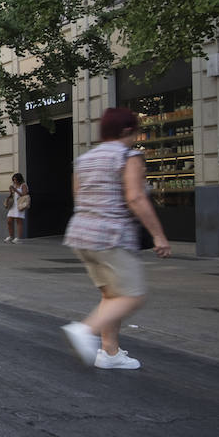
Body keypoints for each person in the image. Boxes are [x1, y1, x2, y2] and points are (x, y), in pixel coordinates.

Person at [61, 107, 172, 370]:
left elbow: (79, 197)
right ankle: (84, 330)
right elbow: (135, 197)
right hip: (112, 236)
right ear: (126, 131)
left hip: (81, 234)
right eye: (136, 131)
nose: (136, 137)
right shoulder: (128, 156)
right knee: (133, 296)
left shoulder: (84, 160)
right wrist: (159, 236)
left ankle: (109, 353)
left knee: (112, 296)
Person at [4, 172, 29, 243]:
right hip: (13, 205)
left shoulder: (23, 185)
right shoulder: (14, 185)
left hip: (20, 205)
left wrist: (15, 190)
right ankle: (11, 236)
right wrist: (11, 191)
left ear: (19, 179)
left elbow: (24, 195)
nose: (14, 181)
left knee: (19, 222)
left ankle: (19, 238)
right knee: (9, 221)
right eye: (13, 180)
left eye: (15, 179)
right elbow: (12, 196)